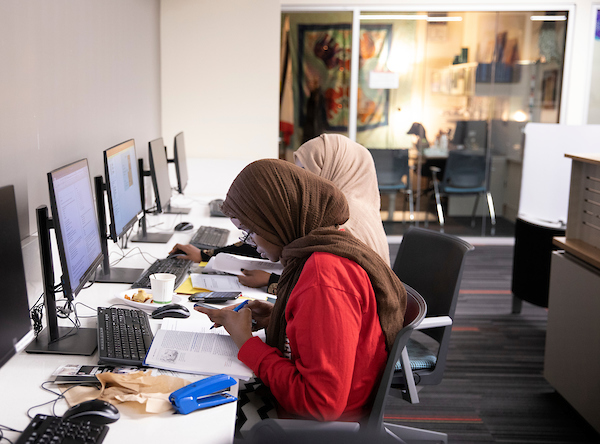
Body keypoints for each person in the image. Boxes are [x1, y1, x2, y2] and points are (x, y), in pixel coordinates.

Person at [195, 159, 407, 426]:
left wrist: (247, 344)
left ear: (276, 219)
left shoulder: (323, 277)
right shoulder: (323, 247)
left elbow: (321, 403)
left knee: (200, 420)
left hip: (316, 428)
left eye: (251, 231)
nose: (250, 242)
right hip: (321, 412)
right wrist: (281, 318)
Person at [170, 134, 390, 290]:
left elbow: (330, 287)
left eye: (308, 170)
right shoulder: (346, 210)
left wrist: (271, 282)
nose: (302, 180)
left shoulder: (344, 223)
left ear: (335, 168)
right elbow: (267, 240)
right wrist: (205, 254)